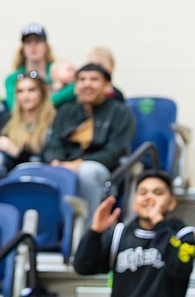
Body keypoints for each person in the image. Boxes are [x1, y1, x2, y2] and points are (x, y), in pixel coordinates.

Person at [44, 60, 136, 217]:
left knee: (87, 171)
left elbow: (115, 151)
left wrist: (78, 164)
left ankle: (90, 230)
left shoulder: (120, 112)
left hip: (104, 170)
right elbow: (53, 144)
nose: (87, 84)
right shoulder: (65, 111)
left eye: (94, 79)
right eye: (82, 80)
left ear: (107, 86)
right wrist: (56, 162)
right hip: (64, 166)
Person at [0, 72, 56, 185]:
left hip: (40, 177)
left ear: (42, 93)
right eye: (20, 91)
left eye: (31, 90)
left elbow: (47, 160)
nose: (25, 96)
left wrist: (15, 151)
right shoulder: (6, 120)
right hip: (4, 176)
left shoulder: (54, 121)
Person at [4, 24, 75, 110]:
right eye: (28, 42)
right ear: (23, 48)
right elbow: (13, 107)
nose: (33, 46)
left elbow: (75, 88)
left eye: (37, 41)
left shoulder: (57, 73)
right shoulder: (13, 79)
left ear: (46, 46)